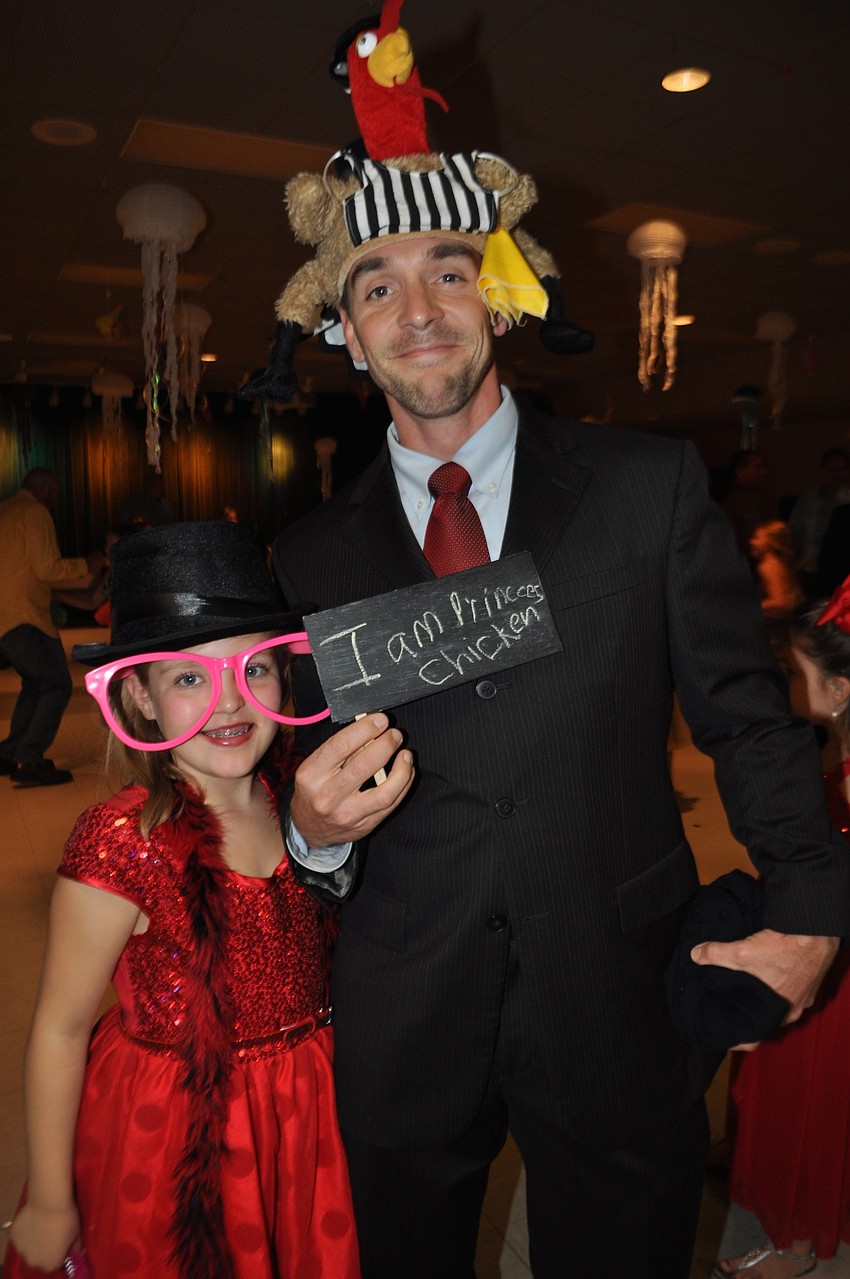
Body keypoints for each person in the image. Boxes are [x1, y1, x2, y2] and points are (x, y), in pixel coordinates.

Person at [257, 29, 850, 1276]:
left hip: (615, 992)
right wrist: (311, 832)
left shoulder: (646, 489)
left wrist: (808, 909)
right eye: (374, 285)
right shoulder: (306, 559)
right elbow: (299, 793)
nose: (416, 310)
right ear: (345, 335)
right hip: (407, 1007)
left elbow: (745, 715)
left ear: (503, 291)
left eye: (449, 269)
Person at [4, 519, 412, 1279]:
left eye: (253, 669)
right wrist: (53, 1198)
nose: (229, 702)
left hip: (303, 1107)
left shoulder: (291, 799)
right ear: (140, 697)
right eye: (189, 677)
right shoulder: (123, 839)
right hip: (177, 1126)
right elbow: (60, 1029)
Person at [715, 584, 850, 1278]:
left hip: (836, 971)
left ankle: (799, 1239)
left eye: (794, 669)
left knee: (810, 1105)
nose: (784, 681)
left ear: (838, 688)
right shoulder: (837, 761)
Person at [0, 468, 105, 786]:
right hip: (25, 617)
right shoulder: (35, 512)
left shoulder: (5, 510)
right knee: (57, 684)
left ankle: (9, 753)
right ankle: (29, 759)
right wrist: (88, 565)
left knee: (36, 684)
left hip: (6, 617)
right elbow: (47, 568)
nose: (57, 501)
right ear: (45, 490)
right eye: (57, 494)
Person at [788, 447, 850, 593]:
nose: (836, 474)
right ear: (823, 470)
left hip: (840, 572)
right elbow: (793, 535)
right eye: (831, 469)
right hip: (808, 571)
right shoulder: (806, 501)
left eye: (841, 469)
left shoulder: (848, 500)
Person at [749, 520, 805, 619]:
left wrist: (750, 606)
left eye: (756, 538)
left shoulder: (768, 567)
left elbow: (780, 602)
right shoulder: (777, 563)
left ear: (770, 543)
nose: (751, 542)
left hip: (781, 620)